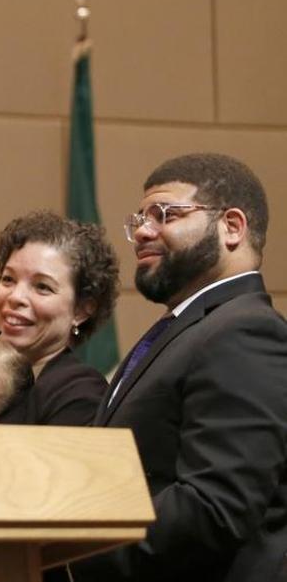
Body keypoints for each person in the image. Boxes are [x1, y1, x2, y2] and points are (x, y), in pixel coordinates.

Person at [68, 153, 287, 581]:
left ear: (232, 227)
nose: (143, 232)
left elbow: (214, 506)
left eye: (164, 214)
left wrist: (79, 551)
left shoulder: (246, 331)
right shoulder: (188, 328)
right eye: (141, 219)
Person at [0, 211, 119, 426]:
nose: (15, 297)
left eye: (42, 286)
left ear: (81, 310)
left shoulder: (80, 393)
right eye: (8, 279)